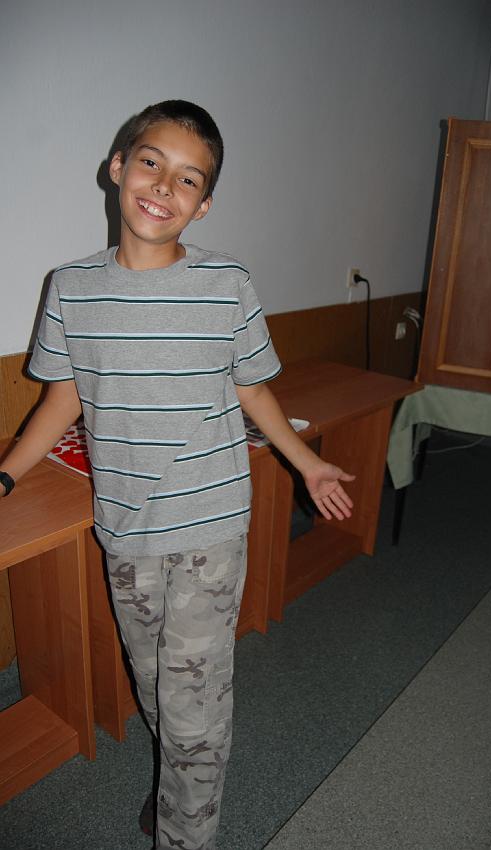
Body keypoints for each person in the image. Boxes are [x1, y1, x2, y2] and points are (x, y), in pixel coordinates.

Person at [0, 100, 354, 850]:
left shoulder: (226, 282)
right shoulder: (71, 286)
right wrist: (5, 477)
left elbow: (252, 389)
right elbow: (63, 398)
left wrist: (308, 462)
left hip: (208, 529)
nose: (165, 185)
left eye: (189, 178)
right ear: (118, 167)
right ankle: (179, 788)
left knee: (194, 710)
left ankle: (186, 829)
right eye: (152, 162)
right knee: (156, 687)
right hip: (126, 530)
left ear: (204, 203)